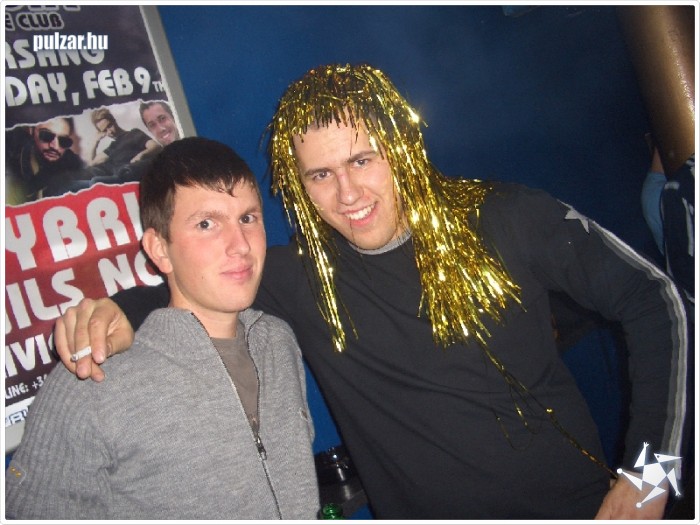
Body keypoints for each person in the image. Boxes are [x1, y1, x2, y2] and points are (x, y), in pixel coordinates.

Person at [55, 64, 689, 520]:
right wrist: (119, 308)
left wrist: (651, 474)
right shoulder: (302, 278)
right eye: (320, 175)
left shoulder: (505, 217)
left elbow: (656, 300)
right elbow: (200, 278)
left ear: (401, 148)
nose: (348, 194)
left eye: (362, 160)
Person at [7, 137, 319, 520]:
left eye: (247, 219)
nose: (239, 245)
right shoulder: (92, 380)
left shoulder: (277, 342)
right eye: (206, 224)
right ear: (159, 250)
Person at [4, 117, 88, 204]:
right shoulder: (12, 156)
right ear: (31, 131)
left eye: (63, 140)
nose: (55, 146)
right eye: (46, 136)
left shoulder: (75, 164)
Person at [88, 106, 161, 182]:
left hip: (130, 175)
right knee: (81, 183)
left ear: (114, 121)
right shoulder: (112, 147)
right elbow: (91, 163)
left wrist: (141, 155)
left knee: (95, 181)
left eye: (109, 126)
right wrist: (95, 141)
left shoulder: (133, 134)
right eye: (105, 130)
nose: (110, 132)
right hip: (116, 177)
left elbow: (156, 146)